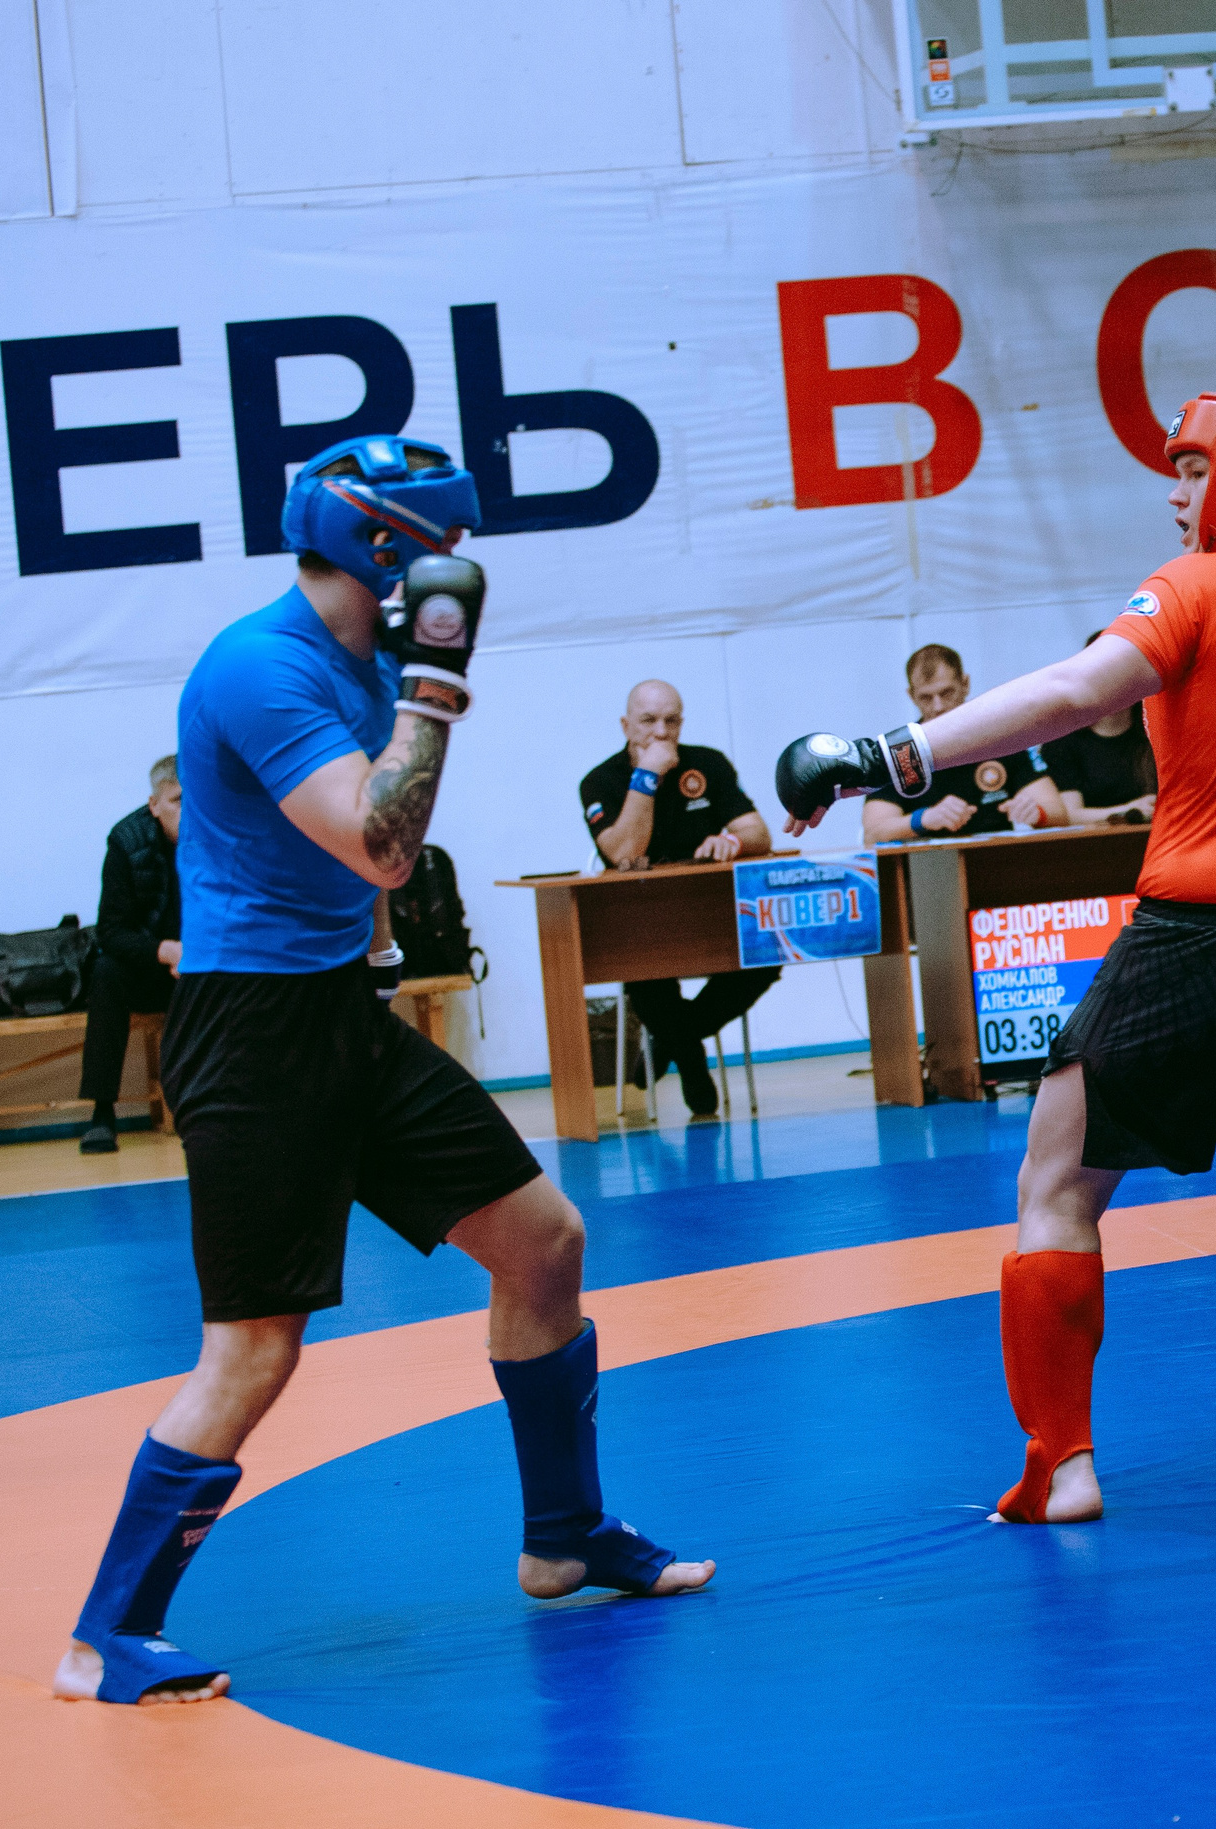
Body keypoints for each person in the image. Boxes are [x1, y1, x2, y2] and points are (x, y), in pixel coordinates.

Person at [53, 436, 708, 1709]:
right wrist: (439, 690)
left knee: (541, 1239)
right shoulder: (262, 667)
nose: (461, 566)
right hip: (251, 1033)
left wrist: (419, 683)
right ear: (391, 549)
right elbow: (381, 848)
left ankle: (562, 1536)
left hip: (337, 1021)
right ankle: (102, 1636)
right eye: (447, 542)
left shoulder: (358, 661)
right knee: (253, 1345)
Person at [778, 389, 1216, 1525]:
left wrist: (892, 755)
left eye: (1185, 468)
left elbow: (1075, 692)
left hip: (1192, 933)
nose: (1171, 495)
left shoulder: (1198, 588)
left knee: (1057, 1186)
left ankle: (1059, 1464)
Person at [579, 680, 780, 1116]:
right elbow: (624, 853)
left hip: (712, 913)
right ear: (626, 725)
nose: (661, 732)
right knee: (644, 971)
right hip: (639, 920)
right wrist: (647, 776)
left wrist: (734, 843)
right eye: (648, 721)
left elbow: (758, 833)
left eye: (671, 720)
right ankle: (690, 1057)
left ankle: (672, 1038)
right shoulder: (600, 781)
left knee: (767, 957)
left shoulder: (707, 764)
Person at [77, 756, 184, 1154]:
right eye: (177, 800)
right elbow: (111, 931)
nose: (189, 811)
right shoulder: (126, 840)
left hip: (202, 964)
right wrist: (165, 951)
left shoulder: (221, 833)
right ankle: (103, 1113)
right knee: (106, 972)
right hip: (151, 965)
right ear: (154, 805)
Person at [859, 645, 1065, 843]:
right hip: (927, 869)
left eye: (946, 693)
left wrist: (1036, 813)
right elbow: (873, 834)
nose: (938, 706)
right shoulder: (900, 752)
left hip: (996, 863)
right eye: (926, 697)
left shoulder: (1002, 735)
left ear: (965, 684)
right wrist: (923, 819)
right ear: (912, 696)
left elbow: (1060, 814)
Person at [1041, 631, 1158, 826]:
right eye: (1103, 674)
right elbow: (1070, 815)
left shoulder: (1155, 730)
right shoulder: (1062, 741)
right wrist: (1130, 810)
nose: (1114, 683)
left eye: (1123, 672)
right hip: (1092, 846)